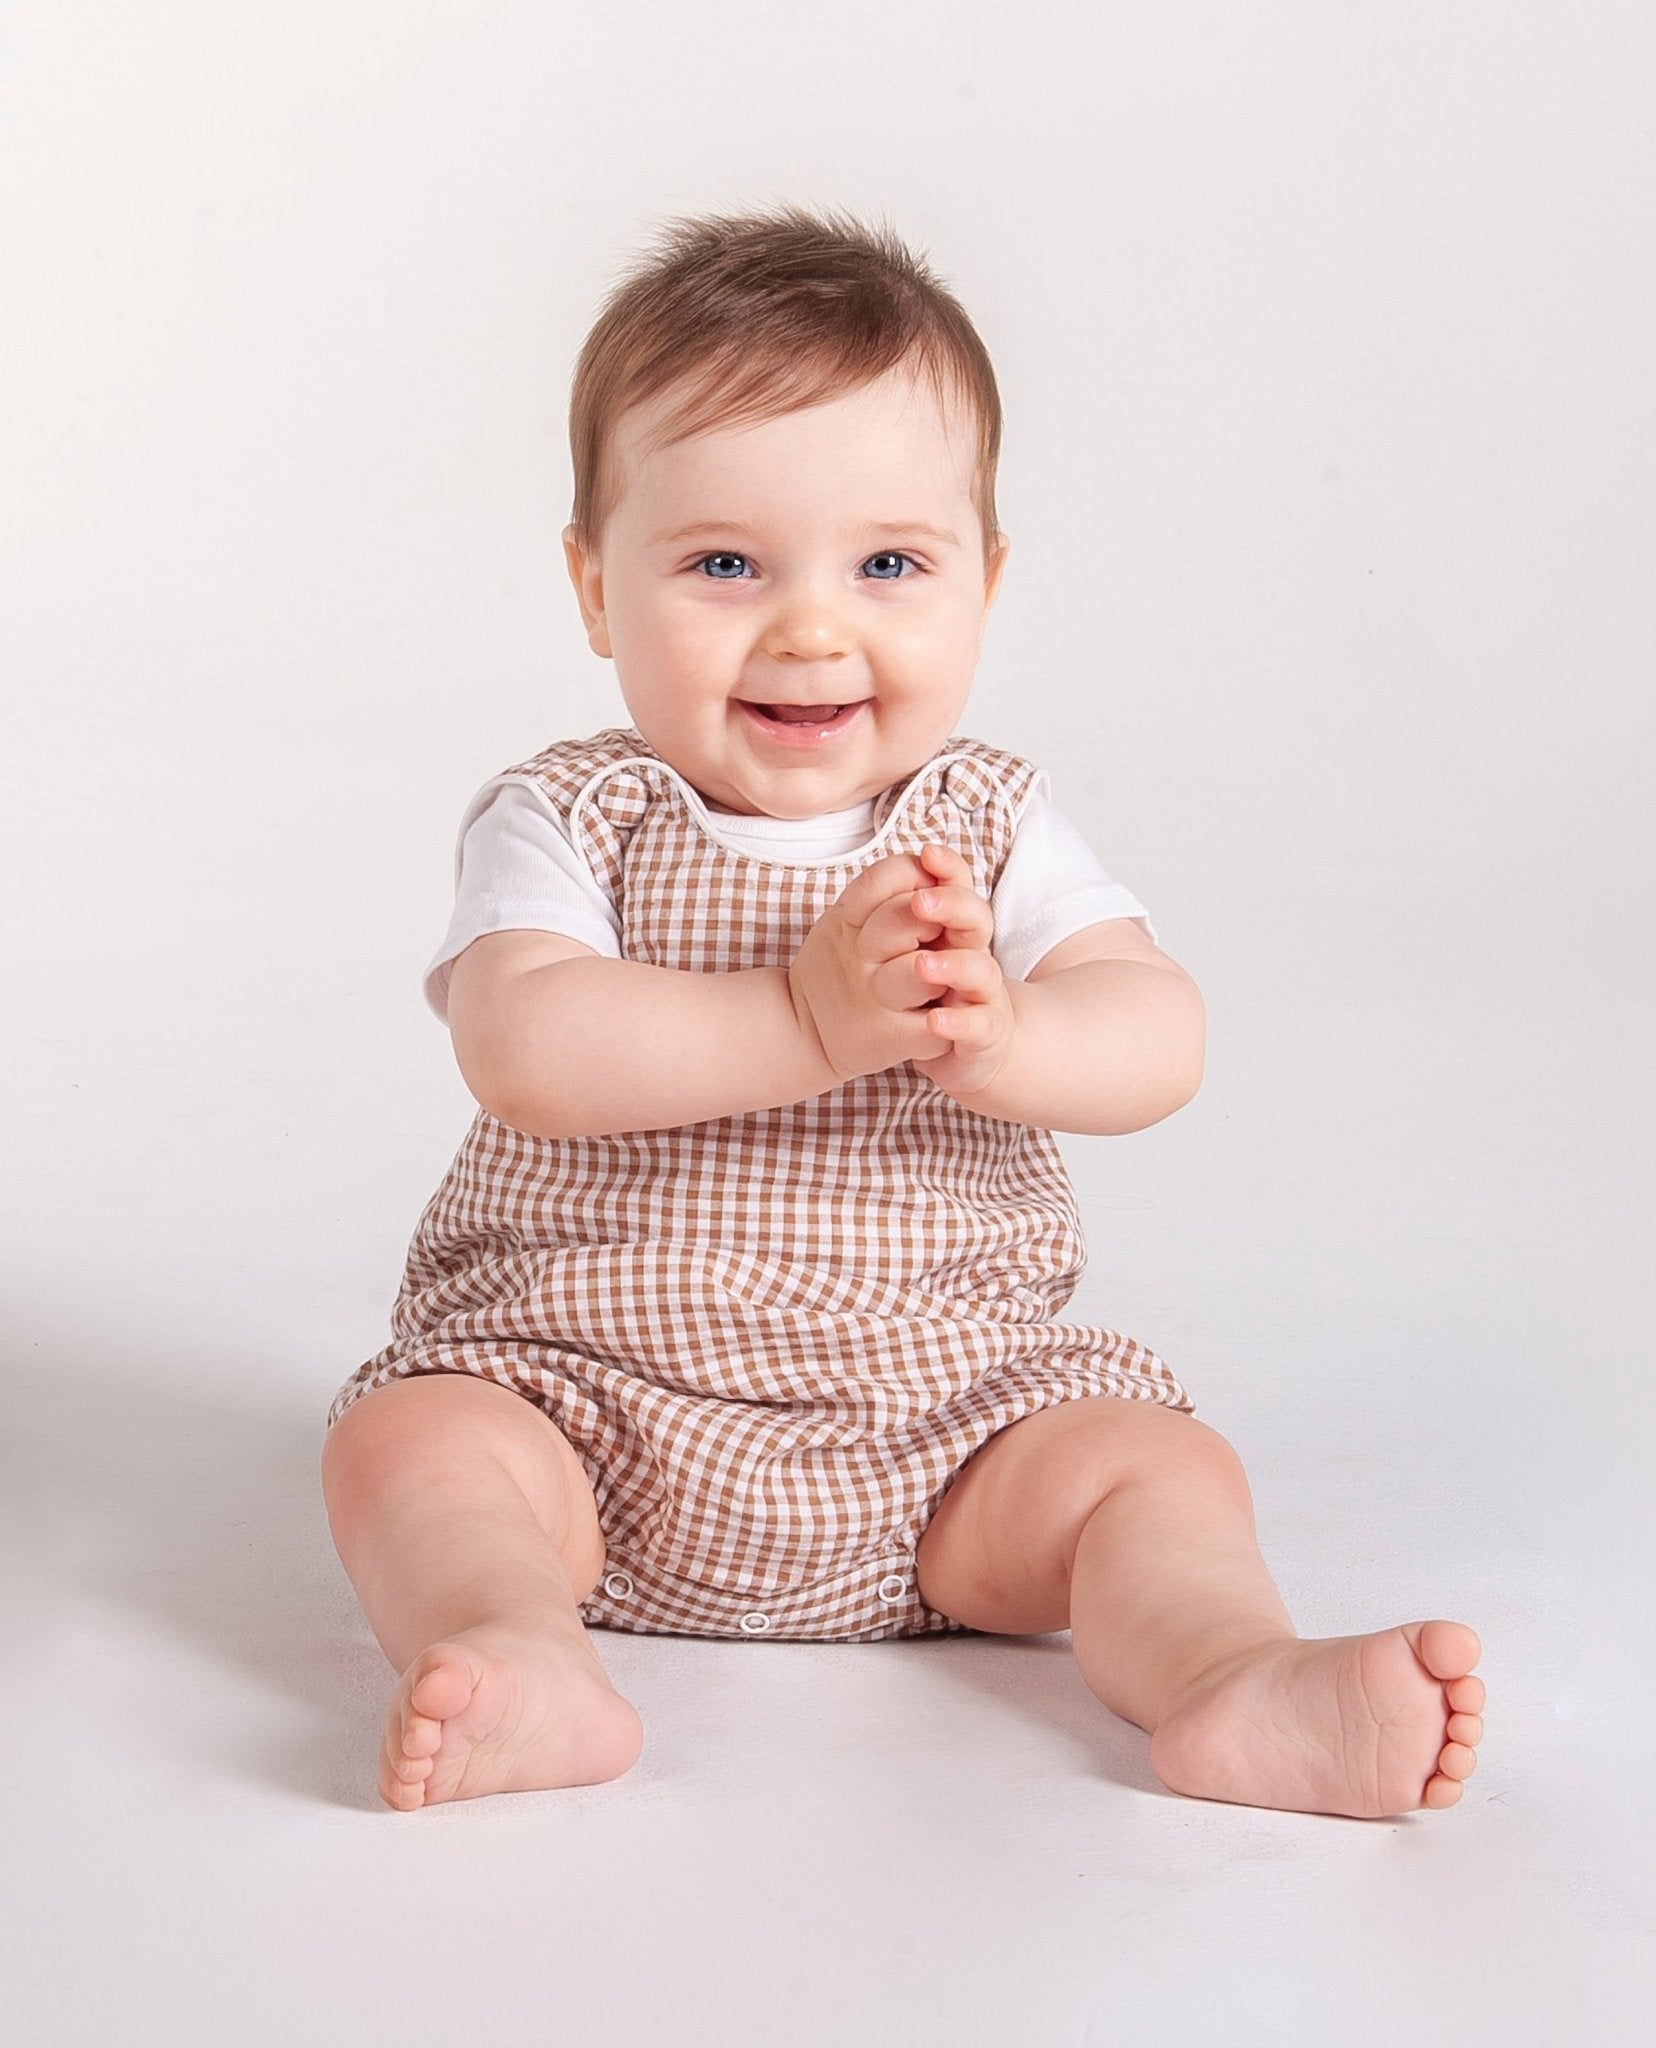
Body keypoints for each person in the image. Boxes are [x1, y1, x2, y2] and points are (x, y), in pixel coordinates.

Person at [320, 206, 1485, 1817]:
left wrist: (1010, 1034)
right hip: (584, 1408)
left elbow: (1161, 1033)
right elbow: (526, 1046)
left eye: (888, 565)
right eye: (723, 563)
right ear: (596, 590)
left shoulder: (992, 822)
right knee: (413, 1444)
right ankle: (515, 1641)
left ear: (984, 582)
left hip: (949, 1432)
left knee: (1154, 1468)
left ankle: (1233, 1676)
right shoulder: (572, 816)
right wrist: (804, 1018)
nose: (811, 625)